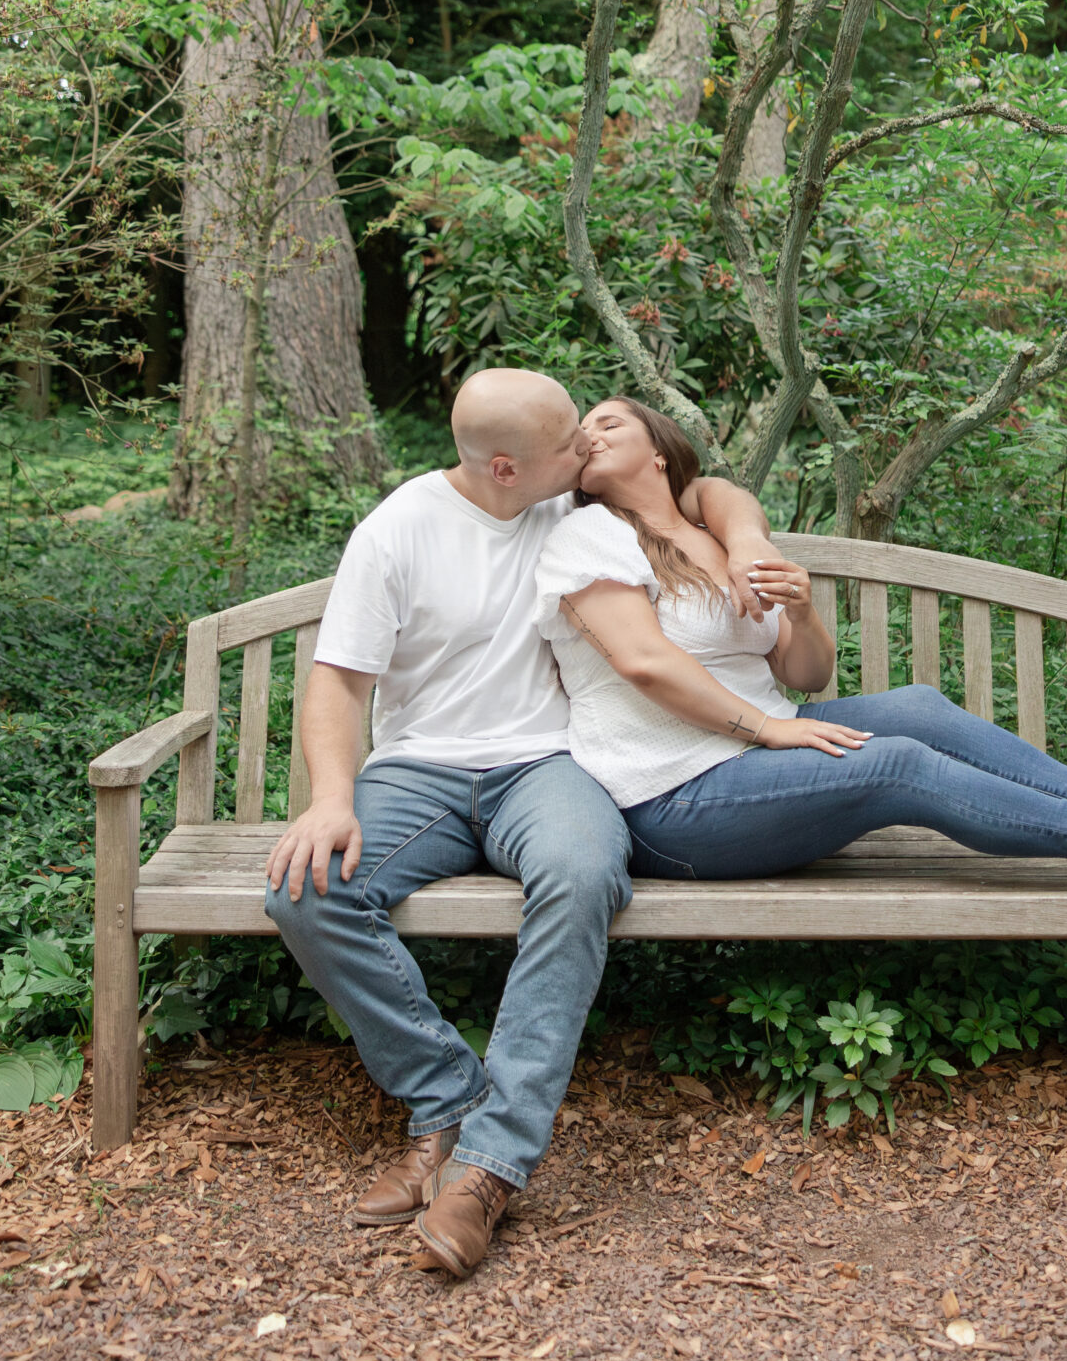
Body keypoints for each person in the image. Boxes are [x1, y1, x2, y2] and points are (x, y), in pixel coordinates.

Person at [263, 368, 780, 1281]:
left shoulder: (579, 507)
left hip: (549, 765)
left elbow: (705, 488)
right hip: (420, 773)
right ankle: (445, 1102)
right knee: (308, 891)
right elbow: (338, 678)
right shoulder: (400, 529)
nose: (588, 451)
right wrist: (332, 798)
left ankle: (488, 1169)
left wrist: (743, 540)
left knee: (583, 876)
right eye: (568, 447)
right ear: (506, 469)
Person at [533, 398, 1067, 884]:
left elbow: (806, 675)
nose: (587, 436)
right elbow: (643, 662)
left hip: (752, 747)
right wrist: (768, 731)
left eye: (606, 424)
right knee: (895, 764)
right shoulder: (589, 533)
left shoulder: (713, 532)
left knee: (916, 708)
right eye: (579, 436)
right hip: (673, 798)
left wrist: (804, 610)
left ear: (659, 452)